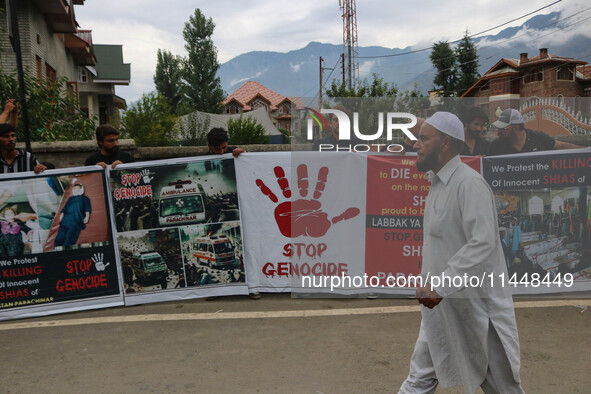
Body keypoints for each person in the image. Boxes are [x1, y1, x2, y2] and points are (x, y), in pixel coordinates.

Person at [399, 112, 524, 393]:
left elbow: (482, 243)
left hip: (476, 311)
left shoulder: (468, 183)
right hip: (442, 308)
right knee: (419, 378)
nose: (416, 144)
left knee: (502, 386)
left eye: (423, 138)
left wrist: (441, 286)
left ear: (444, 144)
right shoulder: (438, 183)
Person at [488, 108, 583, 155]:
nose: (499, 131)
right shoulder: (496, 145)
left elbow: (561, 145)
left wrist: (586, 150)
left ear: (515, 128)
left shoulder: (538, 138)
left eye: (503, 128)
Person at [54, 182, 92, 248]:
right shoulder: (70, 198)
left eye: (77, 189)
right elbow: (66, 207)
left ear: (81, 190)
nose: (75, 190)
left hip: (76, 221)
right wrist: (62, 214)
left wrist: (87, 216)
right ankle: (57, 247)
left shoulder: (85, 199)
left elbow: (87, 208)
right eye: (74, 189)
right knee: (59, 237)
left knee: (69, 239)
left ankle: (65, 247)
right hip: (65, 220)